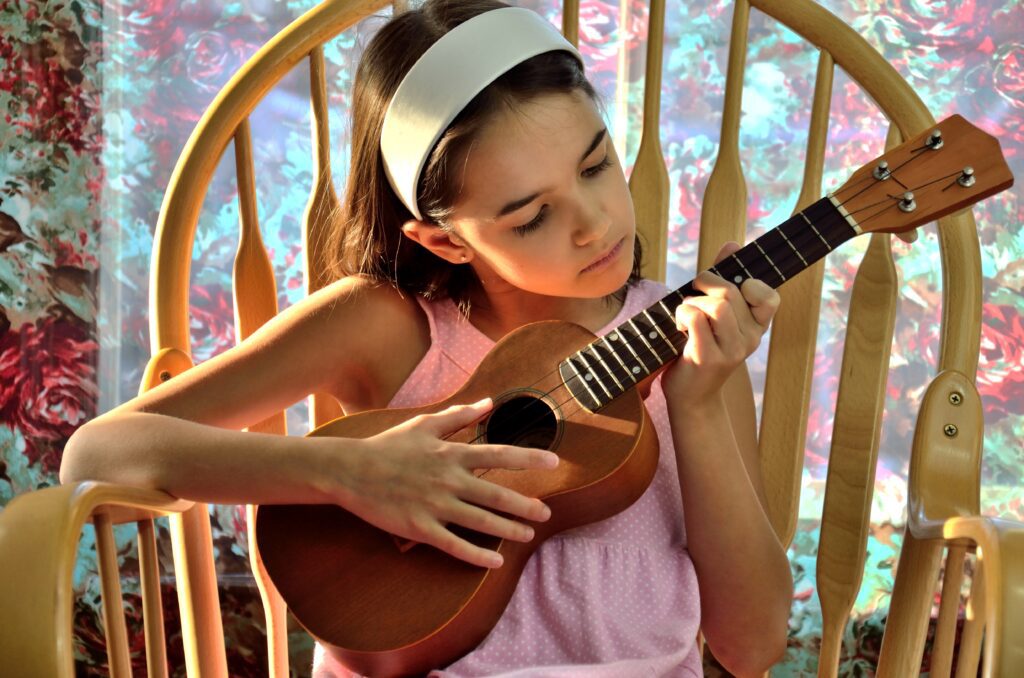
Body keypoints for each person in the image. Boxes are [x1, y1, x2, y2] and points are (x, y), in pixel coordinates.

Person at [60, 0, 792, 675]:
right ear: (444, 241)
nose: (595, 223)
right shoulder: (386, 327)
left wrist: (695, 406)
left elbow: (751, 645)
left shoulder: (690, 335)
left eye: (596, 165)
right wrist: (351, 476)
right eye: (531, 215)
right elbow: (97, 454)